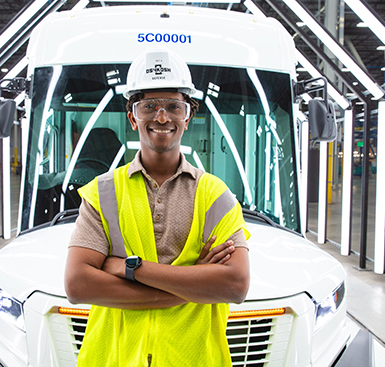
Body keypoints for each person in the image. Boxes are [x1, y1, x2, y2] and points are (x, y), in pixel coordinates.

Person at [65, 47, 250, 367]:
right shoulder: (102, 193)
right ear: (132, 116)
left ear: (188, 115)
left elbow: (234, 285)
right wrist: (194, 283)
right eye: (149, 105)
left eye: (173, 106)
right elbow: (78, 284)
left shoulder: (215, 196)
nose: (161, 116)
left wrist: (128, 268)